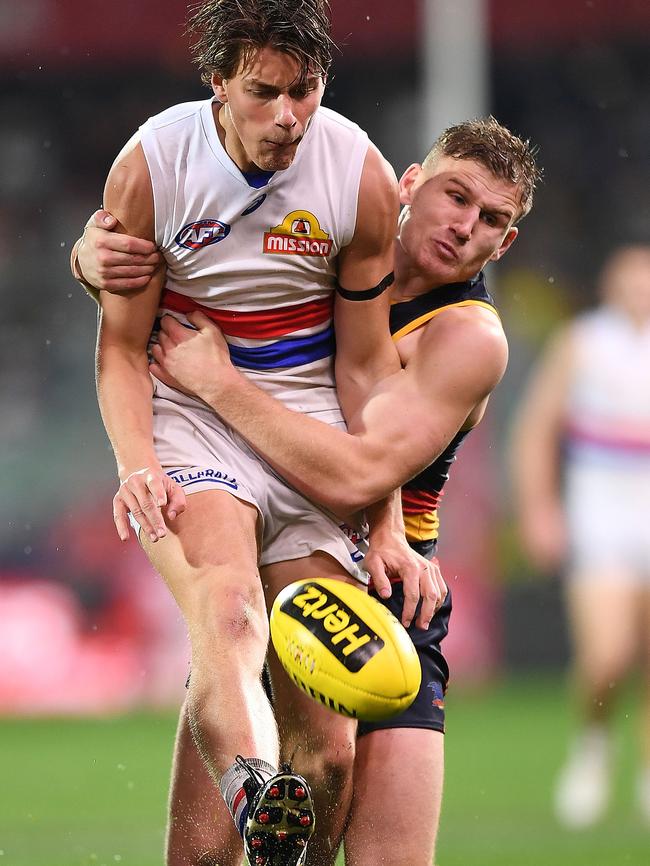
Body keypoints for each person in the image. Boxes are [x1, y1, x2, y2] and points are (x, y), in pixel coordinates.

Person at [80, 116, 540, 865]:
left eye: (492, 219)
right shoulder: (324, 245)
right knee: (205, 856)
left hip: (387, 597)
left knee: (369, 843)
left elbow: (359, 471)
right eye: (456, 196)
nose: (465, 226)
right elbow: (181, 251)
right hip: (271, 561)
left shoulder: (465, 336)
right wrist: (89, 254)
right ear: (409, 184)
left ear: (506, 243)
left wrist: (220, 383)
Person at [71, 2, 447, 865]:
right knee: (231, 614)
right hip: (194, 422)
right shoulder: (156, 164)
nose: (288, 117)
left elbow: (364, 372)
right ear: (218, 81)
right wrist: (135, 464)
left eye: (305, 92)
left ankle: (284, 837)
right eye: (264, 92)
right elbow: (122, 351)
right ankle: (251, 792)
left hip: (304, 430)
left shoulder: (354, 172)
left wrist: (383, 516)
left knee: (329, 748)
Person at [510, 244, 650, 829]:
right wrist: (540, 510)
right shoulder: (584, 342)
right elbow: (534, 430)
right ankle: (593, 745)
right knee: (608, 656)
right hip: (601, 518)